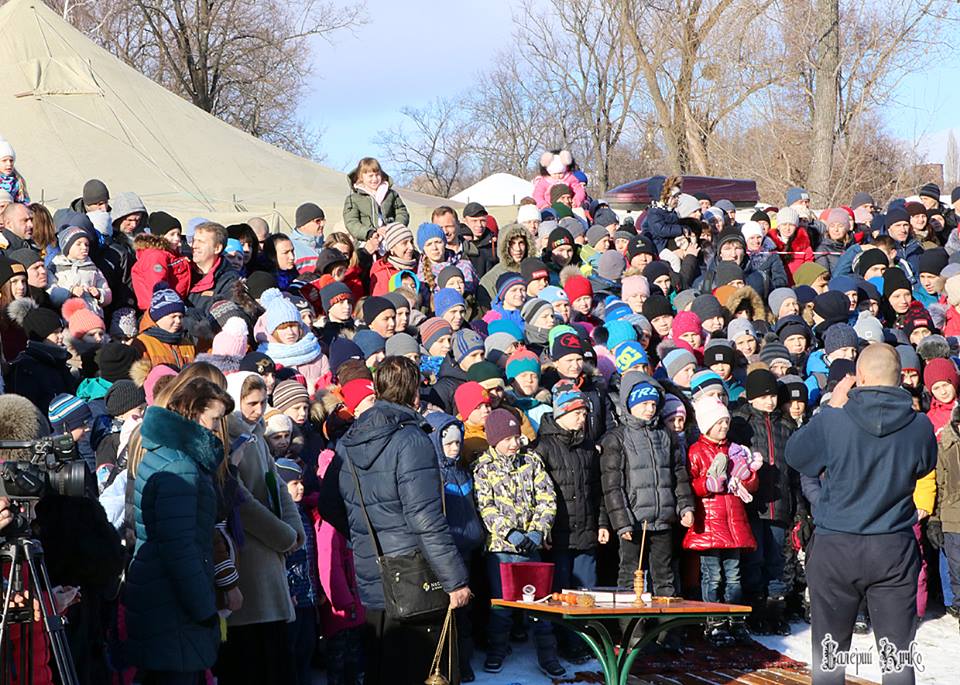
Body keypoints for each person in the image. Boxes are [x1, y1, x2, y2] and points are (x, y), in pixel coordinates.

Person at [786, 344, 937, 685]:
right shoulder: (921, 427)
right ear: (900, 380)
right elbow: (925, 464)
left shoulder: (834, 422)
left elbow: (796, 455)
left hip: (836, 545)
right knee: (897, 657)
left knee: (829, 656)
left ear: (861, 378)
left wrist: (832, 408)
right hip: (893, 546)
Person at [337, 356, 470, 685]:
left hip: (372, 571)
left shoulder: (350, 439)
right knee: (425, 671)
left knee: (383, 670)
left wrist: (366, 537)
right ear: (414, 394)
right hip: (414, 577)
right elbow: (424, 516)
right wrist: (455, 579)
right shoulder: (410, 439)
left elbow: (332, 503)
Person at [124, 377, 234, 684]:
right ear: (193, 413)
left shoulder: (168, 454)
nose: (216, 429)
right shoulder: (180, 465)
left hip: (164, 599)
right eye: (213, 420)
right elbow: (179, 547)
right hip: (173, 606)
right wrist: (204, 608)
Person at [473, 408, 563, 677]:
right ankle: (497, 650)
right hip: (501, 549)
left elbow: (547, 498)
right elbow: (484, 506)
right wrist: (508, 532)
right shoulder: (483, 468)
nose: (514, 443)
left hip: (530, 547)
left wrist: (537, 531)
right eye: (508, 439)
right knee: (501, 605)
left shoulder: (531, 461)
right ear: (494, 440)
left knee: (538, 603)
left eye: (516, 437)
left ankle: (547, 655)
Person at [342, 157, 409, 243]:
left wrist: (394, 228)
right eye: (370, 176)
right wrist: (369, 232)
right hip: (366, 240)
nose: (374, 179)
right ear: (361, 177)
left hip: (391, 236)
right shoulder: (353, 199)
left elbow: (402, 212)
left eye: (377, 175)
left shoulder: (391, 194)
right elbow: (351, 222)